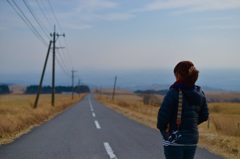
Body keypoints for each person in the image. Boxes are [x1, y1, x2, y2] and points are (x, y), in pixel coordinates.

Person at [157, 61, 209, 159]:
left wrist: (166, 132)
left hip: (175, 140)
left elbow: (162, 119)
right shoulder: (200, 92)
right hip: (192, 140)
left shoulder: (174, 92)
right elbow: (204, 115)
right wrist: (189, 124)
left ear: (179, 75)